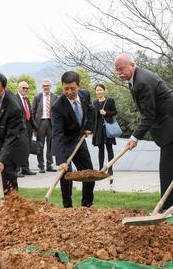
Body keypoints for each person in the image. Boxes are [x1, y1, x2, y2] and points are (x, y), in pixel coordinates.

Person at [115, 53, 173, 211]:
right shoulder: (134, 80)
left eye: (122, 69)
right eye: (117, 70)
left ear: (133, 65)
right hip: (169, 120)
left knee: (167, 165)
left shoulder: (142, 81)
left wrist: (135, 137)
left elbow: (149, 114)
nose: (120, 73)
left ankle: (167, 205)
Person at [51, 71, 95, 208]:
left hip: (79, 140)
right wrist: (61, 160)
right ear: (62, 87)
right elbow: (57, 133)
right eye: (66, 88)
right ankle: (68, 208)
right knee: (66, 177)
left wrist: (88, 127)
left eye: (72, 88)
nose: (69, 92)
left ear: (79, 86)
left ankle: (86, 205)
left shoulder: (85, 95)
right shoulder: (57, 106)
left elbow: (90, 110)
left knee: (89, 173)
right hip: (64, 143)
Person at [0, 71, 26, 192]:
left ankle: (13, 204)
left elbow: (12, 136)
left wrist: (2, 159)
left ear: (5, 88)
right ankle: (8, 202)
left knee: (7, 172)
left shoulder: (14, 107)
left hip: (14, 143)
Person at [91, 83, 117, 186]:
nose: (99, 92)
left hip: (108, 128)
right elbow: (93, 117)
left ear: (104, 91)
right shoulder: (94, 102)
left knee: (109, 148)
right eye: (97, 90)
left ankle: (110, 169)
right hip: (98, 129)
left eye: (100, 90)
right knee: (100, 149)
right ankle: (101, 169)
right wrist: (92, 130)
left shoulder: (110, 100)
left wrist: (106, 113)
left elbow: (115, 112)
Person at [32, 80, 57, 172]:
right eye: (44, 86)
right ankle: (41, 165)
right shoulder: (38, 97)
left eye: (47, 85)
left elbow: (57, 111)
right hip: (40, 123)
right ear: (42, 87)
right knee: (40, 145)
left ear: (50, 86)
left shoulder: (55, 97)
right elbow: (33, 111)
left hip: (51, 123)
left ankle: (49, 165)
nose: (46, 87)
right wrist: (34, 126)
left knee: (50, 145)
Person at [15, 81, 37, 176]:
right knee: (19, 148)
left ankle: (25, 168)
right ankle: (16, 169)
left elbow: (30, 113)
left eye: (27, 88)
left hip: (29, 127)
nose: (25, 90)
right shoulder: (15, 99)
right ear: (19, 88)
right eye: (23, 88)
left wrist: (35, 127)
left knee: (27, 148)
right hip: (19, 127)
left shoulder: (27, 99)